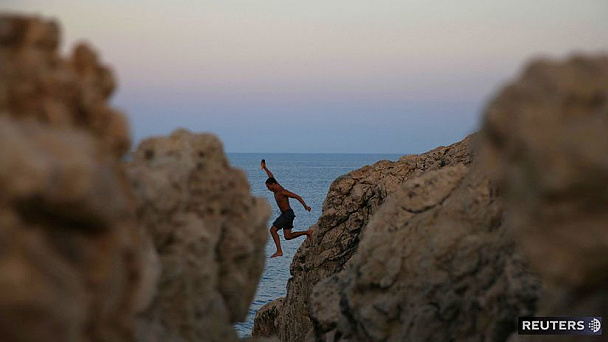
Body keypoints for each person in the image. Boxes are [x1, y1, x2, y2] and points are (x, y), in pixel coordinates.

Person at [261, 159, 312, 258]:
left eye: (269, 187)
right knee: (288, 236)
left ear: (273, 185)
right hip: (288, 214)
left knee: (272, 230)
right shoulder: (275, 187)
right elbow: (271, 176)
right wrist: (265, 168)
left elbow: (297, 196)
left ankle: (279, 251)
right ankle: (307, 232)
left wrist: (305, 206)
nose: (268, 189)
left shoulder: (282, 191)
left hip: (287, 214)